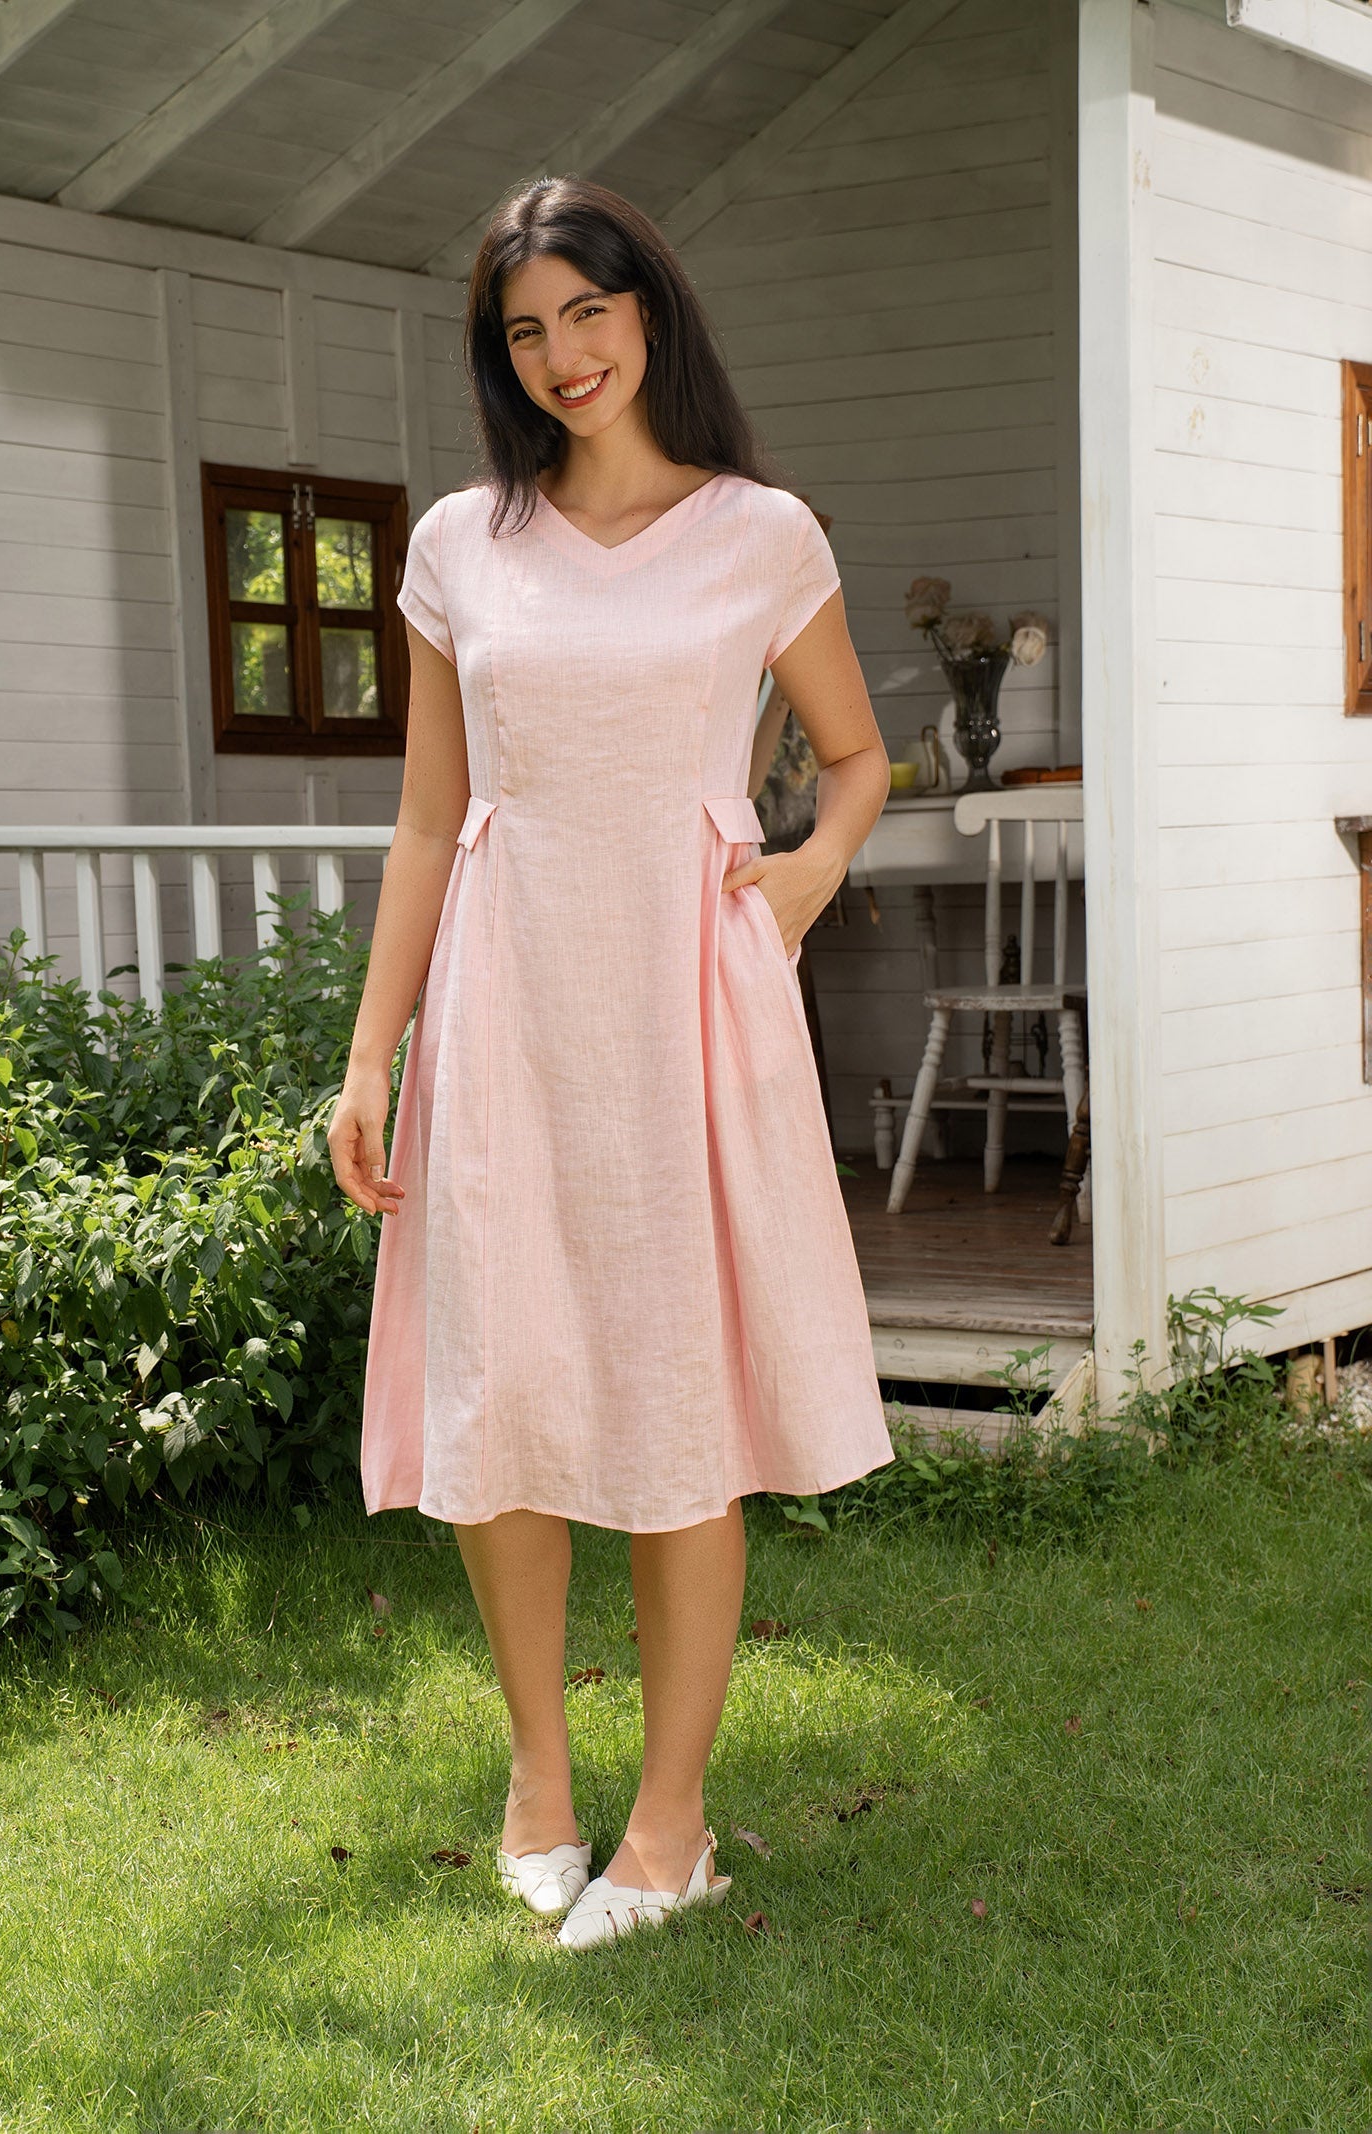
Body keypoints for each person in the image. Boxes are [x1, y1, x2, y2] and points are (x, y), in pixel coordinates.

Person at [329, 175, 895, 1950]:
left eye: (588, 310)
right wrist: (369, 1055)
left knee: (673, 1394)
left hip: (684, 1006)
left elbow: (858, 756)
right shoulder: (459, 546)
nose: (563, 354)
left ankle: (672, 1825)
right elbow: (430, 821)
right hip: (504, 1004)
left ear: (649, 308)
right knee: (502, 1393)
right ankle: (539, 1779)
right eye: (526, 329)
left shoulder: (761, 534)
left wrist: (802, 876)